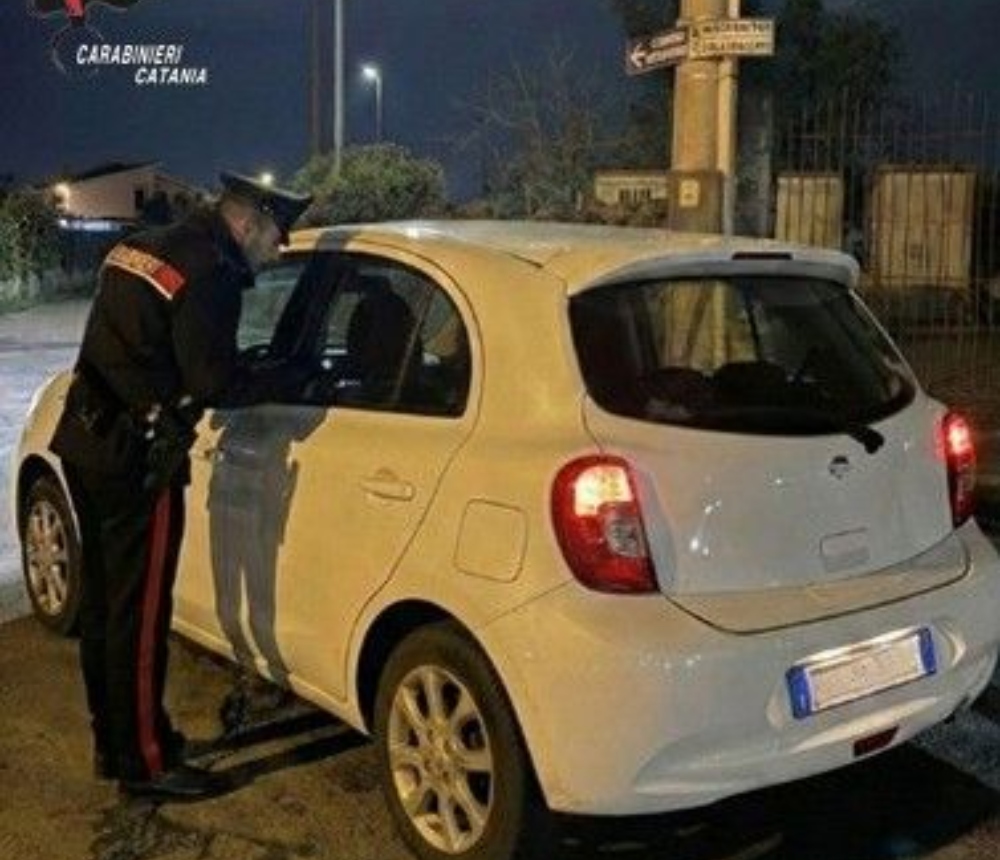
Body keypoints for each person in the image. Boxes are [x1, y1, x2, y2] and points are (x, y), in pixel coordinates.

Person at [49, 171, 311, 801]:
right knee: (140, 621)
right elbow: (214, 382)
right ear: (246, 222)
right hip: (137, 459)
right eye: (277, 233)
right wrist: (286, 377)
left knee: (106, 610)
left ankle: (114, 744)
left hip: (86, 438)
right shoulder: (211, 272)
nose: (280, 247)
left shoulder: (144, 244)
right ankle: (146, 763)